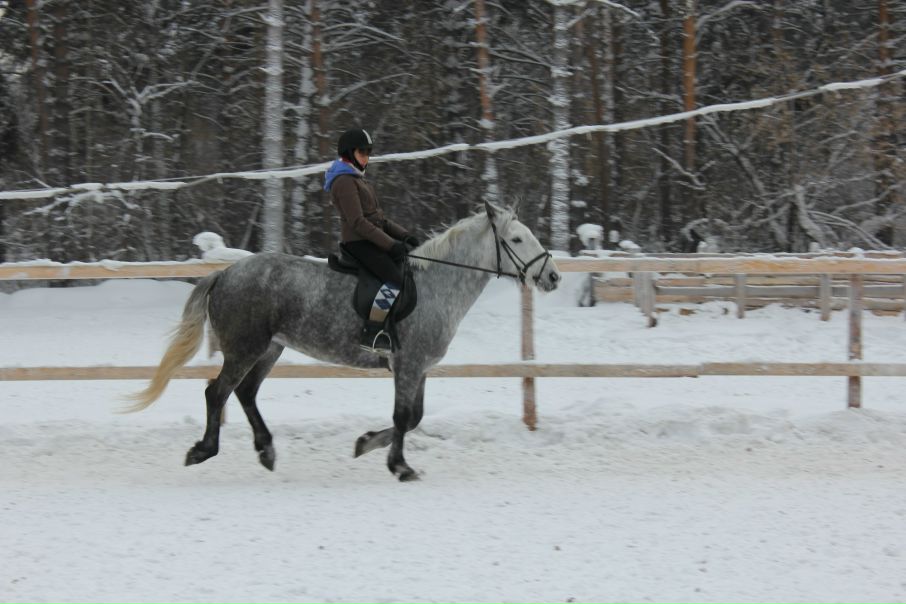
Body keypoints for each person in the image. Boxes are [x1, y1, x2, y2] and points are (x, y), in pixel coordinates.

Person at [323, 128, 419, 354]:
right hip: (358, 243)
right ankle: (372, 331)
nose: (367, 157)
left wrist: (404, 235)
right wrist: (390, 245)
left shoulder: (359, 179)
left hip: (370, 240)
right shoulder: (344, 181)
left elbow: (380, 220)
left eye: (368, 152)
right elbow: (357, 222)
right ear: (349, 153)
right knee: (394, 279)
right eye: (362, 152)